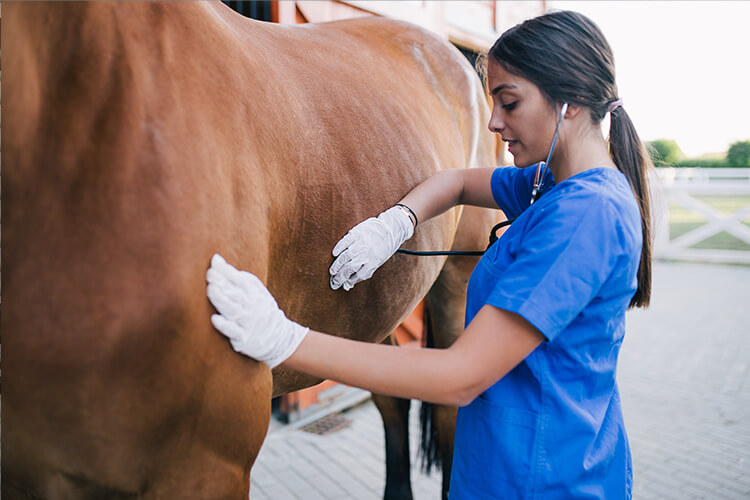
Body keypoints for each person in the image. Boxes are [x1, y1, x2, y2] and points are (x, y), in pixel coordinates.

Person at [206, 10, 652, 499]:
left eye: (509, 102)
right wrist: (396, 222)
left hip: (542, 479)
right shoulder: (551, 183)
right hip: (506, 463)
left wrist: (284, 339)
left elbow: (458, 377)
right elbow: (458, 181)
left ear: (567, 101)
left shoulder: (586, 215)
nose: (493, 122)